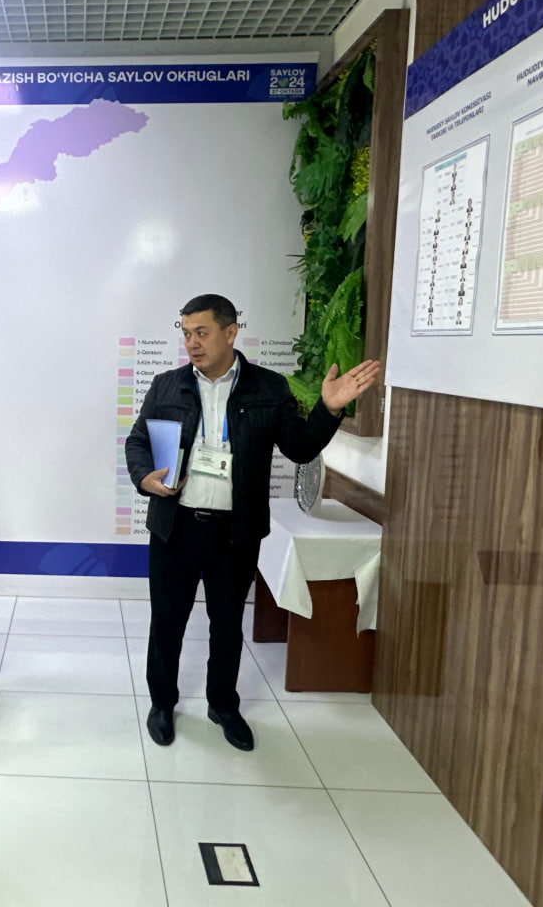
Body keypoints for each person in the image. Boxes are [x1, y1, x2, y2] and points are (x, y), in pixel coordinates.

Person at [125, 293, 379, 751]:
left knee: (227, 624)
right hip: (175, 527)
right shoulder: (166, 385)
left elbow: (299, 448)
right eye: (186, 333)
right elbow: (138, 440)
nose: (192, 343)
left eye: (201, 332)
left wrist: (328, 410)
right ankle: (162, 703)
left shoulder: (268, 388)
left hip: (234, 532)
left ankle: (223, 705)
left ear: (230, 332)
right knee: (167, 622)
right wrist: (145, 477)